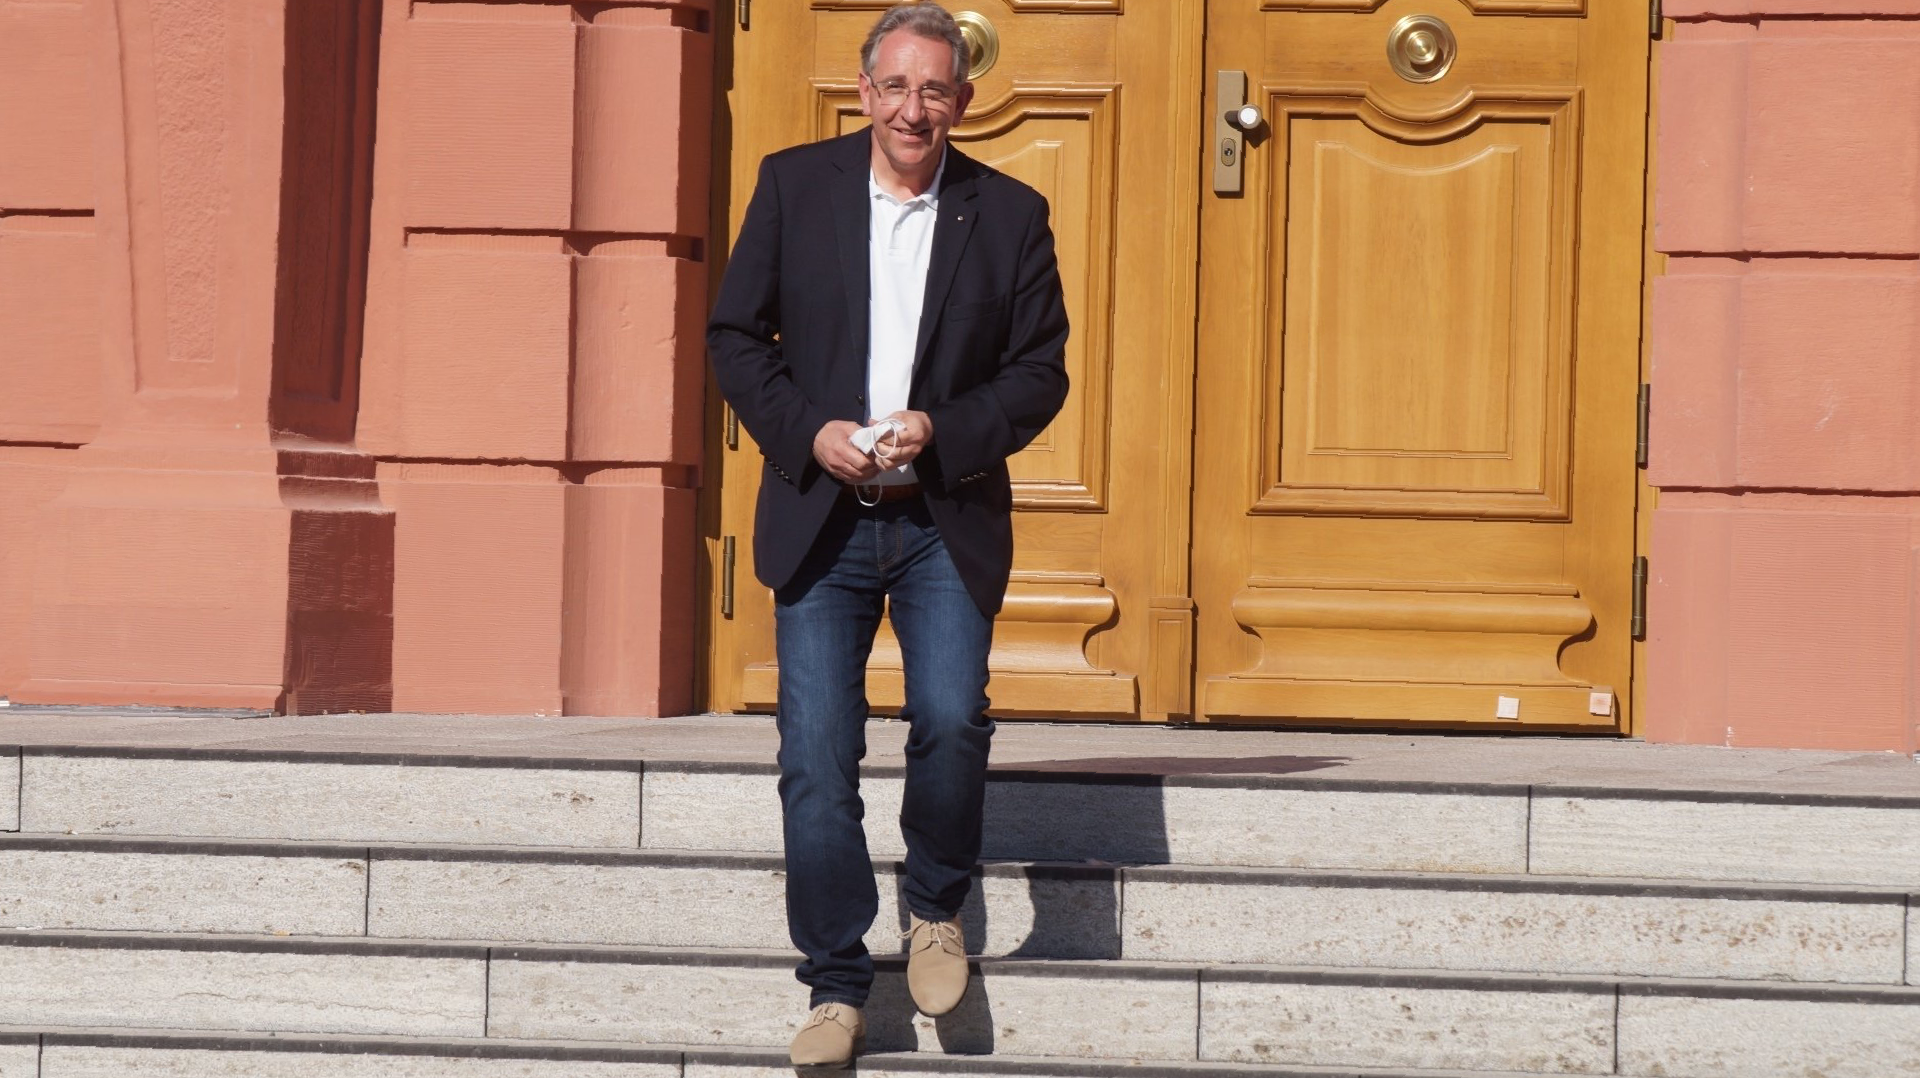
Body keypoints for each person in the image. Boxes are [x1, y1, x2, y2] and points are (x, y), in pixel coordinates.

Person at [706, 2, 1070, 1070]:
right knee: (818, 756)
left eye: (935, 90)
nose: (915, 109)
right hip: (821, 520)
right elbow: (736, 337)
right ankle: (834, 984)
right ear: (864, 92)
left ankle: (936, 908)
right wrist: (805, 431)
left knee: (951, 719)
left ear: (965, 99)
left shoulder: (1010, 214)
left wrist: (941, 429)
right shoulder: (793, 186)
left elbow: (1039, 373)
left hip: (941, 519)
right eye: (897, 87)